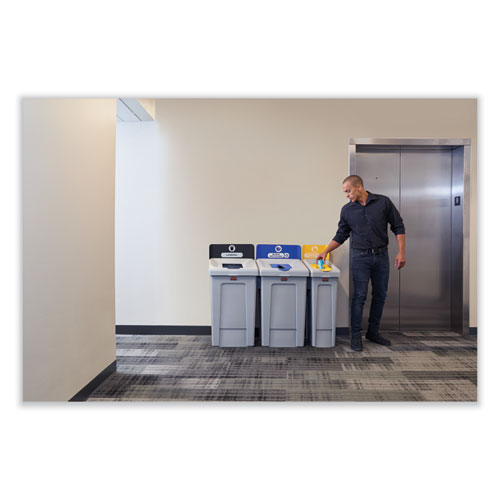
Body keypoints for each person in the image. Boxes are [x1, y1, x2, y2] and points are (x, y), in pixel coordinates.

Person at [317, 175, 406, 351]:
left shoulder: (383, 202)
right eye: (345, 192)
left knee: (380, 295)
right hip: (360, 258)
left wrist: (401, 252)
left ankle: (373, 332)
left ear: (359, 187)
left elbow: (398, 226)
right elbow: (341, 234)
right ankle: (356, 336)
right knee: (359, 296)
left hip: (381, 257)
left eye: (348, 191)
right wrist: (326, 250)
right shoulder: (347, 210)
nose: (346, 195)